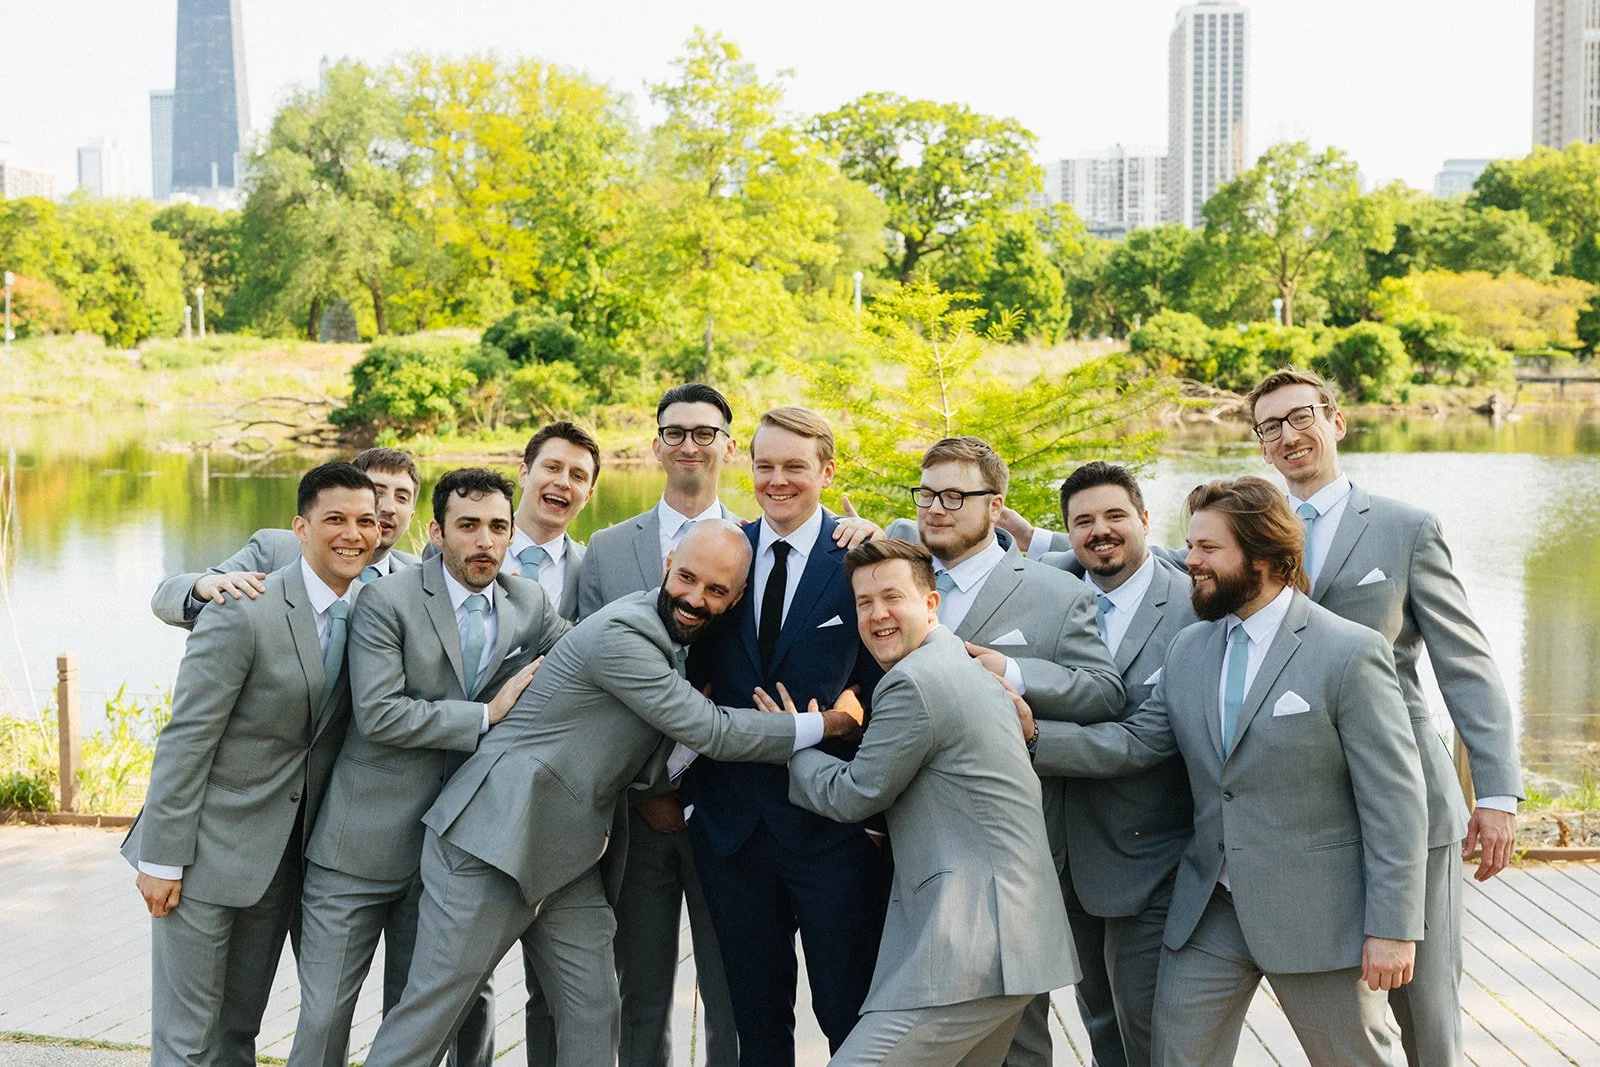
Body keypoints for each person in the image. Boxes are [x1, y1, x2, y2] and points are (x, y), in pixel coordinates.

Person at [360, 520, 864, 1067]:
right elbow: (712, 730)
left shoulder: (676, 643)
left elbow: (644, 753)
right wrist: (832, 724)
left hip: (568, 852)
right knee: (430, 1017)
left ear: (737, 597)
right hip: (491, 842)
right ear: (668, 563)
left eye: (715, 590)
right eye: (688, 578)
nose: (695, 598)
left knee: (594, 1012)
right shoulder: (626, 632)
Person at [1031, 476, 1428, 1066]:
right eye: (1190, 546)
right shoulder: (1190, 648)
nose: (1189, 561)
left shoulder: (1348, 652)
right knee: (1177, 1055)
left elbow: (1394, 801)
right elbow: (1138, 742)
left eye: (1208, 550)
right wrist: (1034, 735)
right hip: (1209, 909)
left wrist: (1394, 928)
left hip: (1318, 913)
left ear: (1265, 556)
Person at [1246, 367, 1522, 1066]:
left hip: (1411, 796)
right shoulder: (1252, 535)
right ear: (1262, 446)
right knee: (1348, 1004)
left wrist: (1495, 793)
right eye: (1270, 426)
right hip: (1307, 806)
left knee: (1425, 1007)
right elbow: (1165, 568)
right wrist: (1035, 540)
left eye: (1301, 416)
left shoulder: (1406, 528)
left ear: (1336, 422)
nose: (1289, 435)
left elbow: (1467, 663)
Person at [289, 468, 563, 1067]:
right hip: (356, 849)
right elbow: (381, 715)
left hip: (449, 854)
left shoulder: (530, 603)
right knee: (326, 1015)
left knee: (421, 1019)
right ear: (437, 532)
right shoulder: (386, 599)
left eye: (497, 527)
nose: (484, 541)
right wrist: (486, 716)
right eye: (468, 526)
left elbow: (590, 657)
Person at [122, 462, 380, 1064]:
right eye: (335, 519)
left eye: (366, 521)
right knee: (186, 1041)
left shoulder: (370, 614)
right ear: (301, 527)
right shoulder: (244, 607)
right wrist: (162, 858)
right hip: (202, 856)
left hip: (282, 863)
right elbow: (187, 738)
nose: (353, 533)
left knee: (239, 1033)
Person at [881, 438, 1125, 1067]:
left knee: (1017, 1038)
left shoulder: (1054, 591)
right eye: (927, 493)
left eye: (955, 496)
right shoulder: (897, 580)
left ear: (996, 507)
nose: (936, 508)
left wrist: (1013, 673)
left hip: (1004, 853)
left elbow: (1104, 693)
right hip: (898, 837)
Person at [785, 537, 1075, 1066]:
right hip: (1011, 936)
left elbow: (855, 794)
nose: (877, 615)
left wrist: (793, 741)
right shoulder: (961, 670)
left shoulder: (913, 682)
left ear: (931, 603)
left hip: (973, 944)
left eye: (892, 597)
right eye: (864, 603)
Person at [680, 407, 889, 1066]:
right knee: (758, 1026)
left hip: (832, 832)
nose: (777, 480)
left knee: (848, 1015)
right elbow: (688, 675)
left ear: (826, 470)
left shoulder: (860, 557)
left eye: (795, 466)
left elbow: (891, 682)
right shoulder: (723, 550)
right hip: (732, 832)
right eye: (764, 465)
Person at [574, 383, 744, 1067]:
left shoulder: (758, 545)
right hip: (634, 812)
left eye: (705, 432)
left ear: (728, 446)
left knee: (735, 989)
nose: (690, 445)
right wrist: (647, 791)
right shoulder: (608, 549)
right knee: (638, 991)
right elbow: (583, 677)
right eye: (675, 432)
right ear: (655, 444)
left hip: (730, 809)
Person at [1034, 462, 1197, 1067]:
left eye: (1114, 516)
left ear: (1145, 520)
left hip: (1152, 856)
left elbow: (1146, 741)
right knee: (1099, 1021)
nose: (1100, 531)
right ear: (1067, 532)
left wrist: (1029, 738)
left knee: (1151, 1028)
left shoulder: (1191, 607)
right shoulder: (1047, 587)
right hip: (1063, 854)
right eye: (1083, 522)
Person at [150, 447, 422, 628]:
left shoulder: (417, 579)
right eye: (377, 491)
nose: (387, 507)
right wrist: (203, 587)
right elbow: (166, 597)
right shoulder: (273, 550)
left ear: (410, 516)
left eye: (401, 497)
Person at [497, 421, 598, 619]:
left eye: (578, 476)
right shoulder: (460, 545)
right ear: (524, 474)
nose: (563, 483)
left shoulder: (591, 569)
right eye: (552, 467)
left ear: (588, 496)